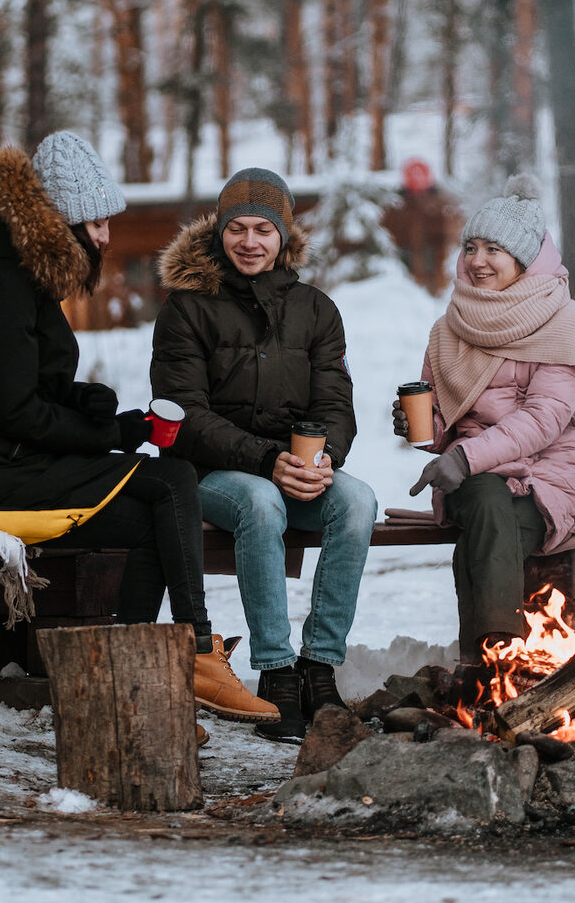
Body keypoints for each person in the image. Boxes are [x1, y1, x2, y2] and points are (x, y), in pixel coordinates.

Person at [0, 132, 276, 724]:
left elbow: (24, 387)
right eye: (97, 222)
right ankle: (193, 654)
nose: (106, 236)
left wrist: (92, 403)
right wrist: (112, 434)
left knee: (159, 514)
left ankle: (132, 683)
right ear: (59, 221)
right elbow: (14, 414)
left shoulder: (22, 278)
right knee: (171, 482)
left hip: (7, 461)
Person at [151, 167, 377, 742]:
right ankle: (275, 671)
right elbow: (184, 414)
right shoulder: (187, 308)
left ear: (283, 237)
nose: (250, 242)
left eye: (263, 230)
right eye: (237, 229)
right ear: (219, 233)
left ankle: (318, 667)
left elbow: (334, 401)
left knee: (357, 502)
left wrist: (326, 459)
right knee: (260, 503)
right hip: (208, 473)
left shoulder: (316, 310)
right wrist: (267, 460)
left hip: (290, 466)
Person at [395, 175, 575, 660]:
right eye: (471, 247)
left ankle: (483, 659)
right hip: (477, 475)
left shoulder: (562, 319)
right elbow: (446, 420)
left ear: (525, 259)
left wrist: (462, 458)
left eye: (494, 249)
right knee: (489, 503)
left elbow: (546, 417)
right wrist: (425, 430)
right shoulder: (450, 327)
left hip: (555, 468)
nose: (477, 260)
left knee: (491, 522)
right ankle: (506, 654)